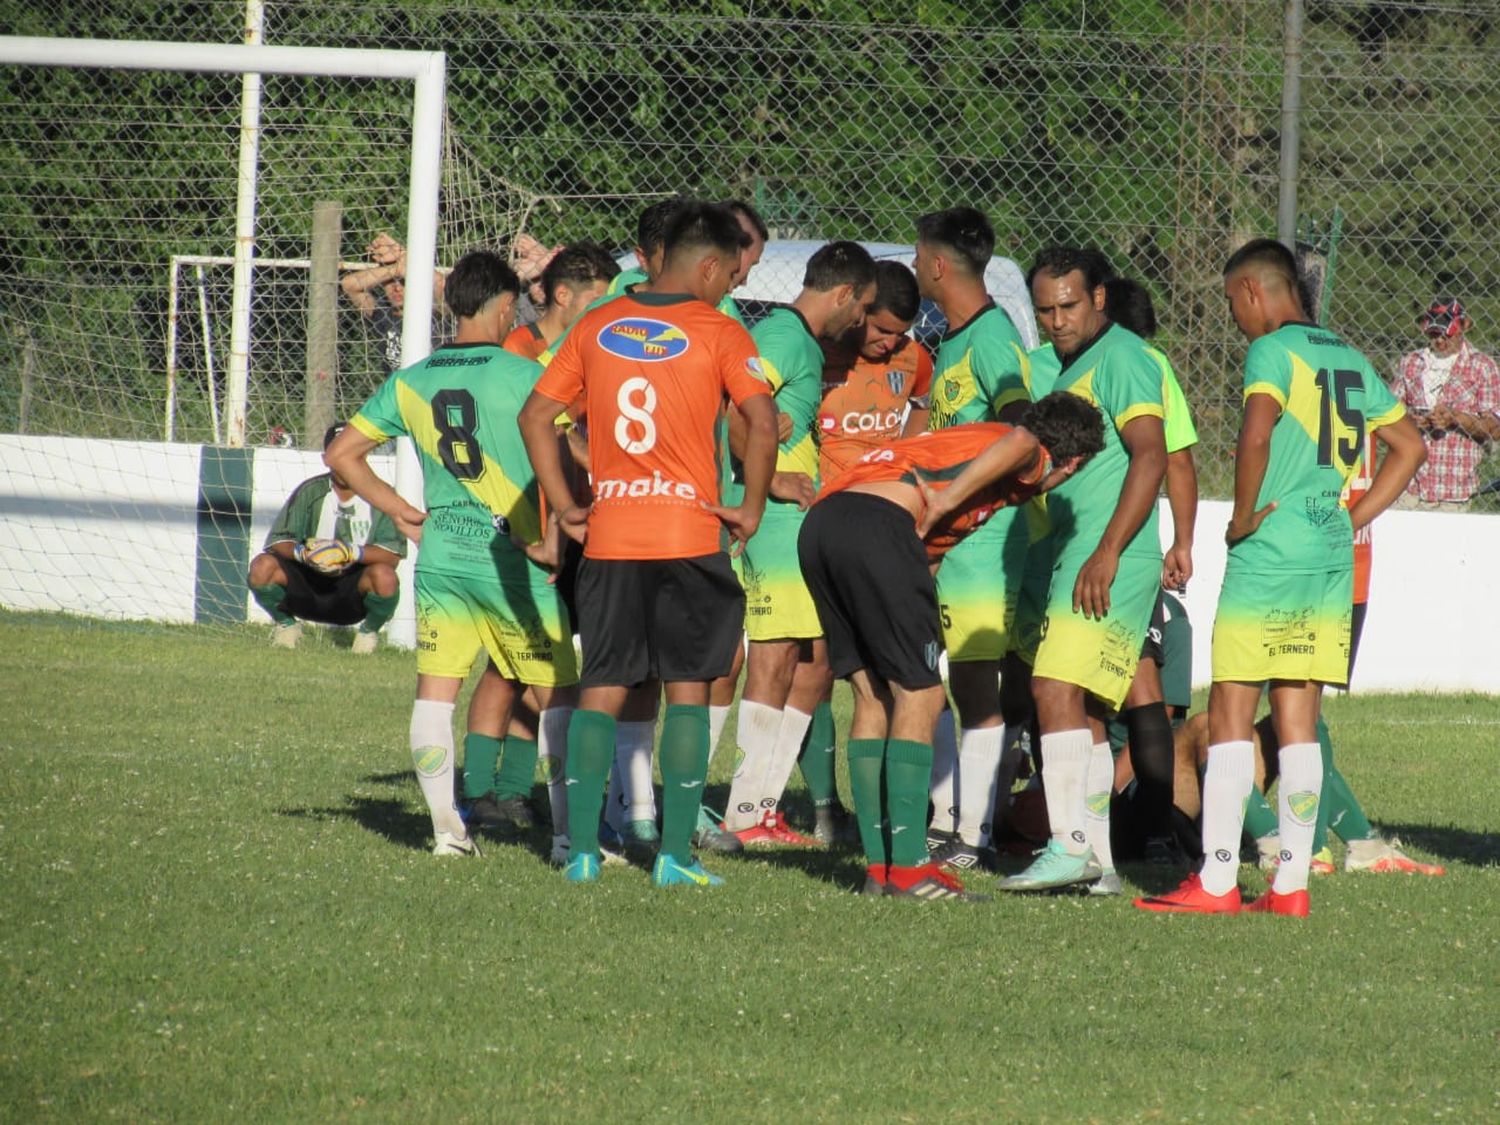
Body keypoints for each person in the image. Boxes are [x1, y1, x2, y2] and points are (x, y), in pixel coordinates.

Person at [1136, 238, 1424, 917]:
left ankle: (1216, 882)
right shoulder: (1348, 354)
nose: (1235, 314)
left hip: (1270, 550)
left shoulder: (1271, 352)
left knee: (1233, 709)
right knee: (1299, 715)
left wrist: (1239, 517)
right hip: (1327, 552)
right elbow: (1409, 444)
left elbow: (1257, 434)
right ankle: (1292, 887)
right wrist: (1356, 512)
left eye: (1232, 300)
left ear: (1254, 291)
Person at [518, 201, 779, 888]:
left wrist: (569, 504)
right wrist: (750, 506)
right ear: (712, 265)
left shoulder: (599, 323)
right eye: (731, 275)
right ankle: (674, 856)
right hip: (688, 534)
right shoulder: (720, 330)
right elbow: (762, 418)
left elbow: (536, 414)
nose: (730, 288)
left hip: (611, 537)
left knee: (603, 683)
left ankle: (578, 850)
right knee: (688, 687)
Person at [326, 250, 582, 860]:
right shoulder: (530, 377)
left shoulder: (412, 379)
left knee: (435, 694)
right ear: (502, 307)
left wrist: (398, 508)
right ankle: (572, 839)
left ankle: (448, 834)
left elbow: (342, 455)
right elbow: (575, 455)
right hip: (514, 558)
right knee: (559, 699)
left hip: (443, 555)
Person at [798, 392, 1105, 898]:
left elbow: (926, 549)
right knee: (923, 694)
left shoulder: (961, 448)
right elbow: (1024, 441)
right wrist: (945, 498)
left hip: (824, 527)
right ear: (1071, 463)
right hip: (878, 525)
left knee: (874, 692)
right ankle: (913, 869)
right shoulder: (1025, 453)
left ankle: (880, 871)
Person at [1000, 246, 1168, 894]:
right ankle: (1096, 861)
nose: (1056, 320)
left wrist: (1107, 551)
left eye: (1068, 305)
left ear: (1099, 297)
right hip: (1078, 551)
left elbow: (1151, 456)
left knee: (1051, 687)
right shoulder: (1066, 364)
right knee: (1088, 709)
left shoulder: (1122, 356)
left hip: (1109, 556)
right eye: (1044, 309)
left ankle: (1067, 843)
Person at [723, 241, 876, 847]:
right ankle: (743, 813)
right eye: (861, 307)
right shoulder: (786, 337)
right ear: (842, 294)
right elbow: (728, 406)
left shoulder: (800, 344)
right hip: (776, 520)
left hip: (795, 523)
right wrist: (770, 476)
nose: (860, 322)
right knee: (777, 654)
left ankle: (759, 803)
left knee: (815, 661)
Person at [911, 206, 1034, 871]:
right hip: (948, 545)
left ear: (937, 264)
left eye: (916, 252)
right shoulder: (953, 339)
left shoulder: (991, 337)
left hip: (983, 546)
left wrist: (967, 499)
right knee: (945, 679)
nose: (913, 263)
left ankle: (974, 833)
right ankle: (949, 817)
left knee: (977, 687)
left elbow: (1021, 424)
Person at [796, 259, 933, 842]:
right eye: (879, 330)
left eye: (899, 335)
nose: (888, 344)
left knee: (885, 678)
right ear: (858, 309)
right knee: (824, 670)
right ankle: (825, 809)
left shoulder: (916, 361)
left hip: (885, 530)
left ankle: (875, 820)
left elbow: (920, 416)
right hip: (824, 525)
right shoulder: (822, 351)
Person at [248, 422, 405, 653]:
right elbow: (278, 542)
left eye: (352, 454)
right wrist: (305, 553)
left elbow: (391, 556)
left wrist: (349, 552)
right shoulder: (310, 491)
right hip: (308, 583)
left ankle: (367, 635)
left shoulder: (382, 495)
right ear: (326, 459)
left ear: (364, 456)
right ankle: (286, 626)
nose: (344, 463)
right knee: (261, 566)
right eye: (338, 455)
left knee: (385, 576)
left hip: (352, 590)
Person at [1390, 296, 1500, 510]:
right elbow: (1389, 413)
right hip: (1407, 485)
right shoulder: (1412, 363)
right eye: (1434, 334)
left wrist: (1455, 419)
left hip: (1453, 490)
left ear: (1464, 325)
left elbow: (1495, 428)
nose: (1440, 340)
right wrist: (1408, 421)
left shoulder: (1482, 367)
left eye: (1447, 333)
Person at [340, 231, 448, 375]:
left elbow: (443, 286)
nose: (396, 288)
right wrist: (397, 269)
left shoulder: (437, 313)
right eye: (390, 281)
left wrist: (407, 257)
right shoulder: (382, 315)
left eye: (404, 281)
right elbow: (349, 284)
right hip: (398, 391)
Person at [503, 242, 620, 361]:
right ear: (562, 296)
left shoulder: (599, 348)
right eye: (597, 303)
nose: (606, 313)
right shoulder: (518, 352)